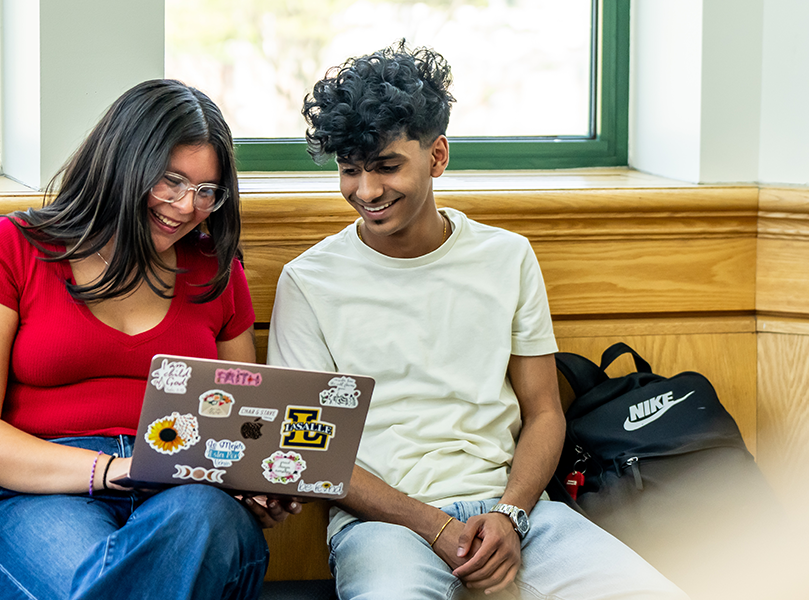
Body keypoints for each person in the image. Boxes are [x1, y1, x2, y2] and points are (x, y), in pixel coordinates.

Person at [267, 42, 689, 599]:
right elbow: (311, 451)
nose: (366, 191)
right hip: (383, 527)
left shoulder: (506, 257)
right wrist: (434, 526)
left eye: (388, 167)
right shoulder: (308, 281)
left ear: (437, 156)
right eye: (350, 171)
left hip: (517, 513)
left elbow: (543, 411)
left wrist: (512, 513)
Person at [0, 79, 297, 600]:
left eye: (206, 191)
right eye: (170, 180)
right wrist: (114, 471)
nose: (185, 206)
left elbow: (240, 433)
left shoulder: (216, 271)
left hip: (186, 498)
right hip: (40, 491)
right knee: (101, 582)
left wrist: (259, 485)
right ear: (124, 161)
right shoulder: (12, 247)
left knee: (203, 516)